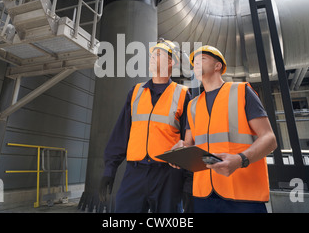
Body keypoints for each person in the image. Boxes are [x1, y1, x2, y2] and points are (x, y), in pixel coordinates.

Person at [172, 45, 277, 213]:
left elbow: (269, 139)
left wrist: (240, 159)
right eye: (194, 63)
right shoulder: (192, 106)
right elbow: (188, 143)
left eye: (202, 59)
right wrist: (179, 151)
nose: (196, 64)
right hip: (204, 193)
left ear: (217, 66)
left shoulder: (242, 91)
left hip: (243, 193)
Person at [99, 39, 192, 213]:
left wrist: (188, 184)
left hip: (168, 175)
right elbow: (121, 134)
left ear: (171, 62)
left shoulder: (183, 95)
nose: (151, 57)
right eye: (151, 54)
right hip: (135, 173)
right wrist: (110, 169)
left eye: (157, 54)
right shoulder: (135, 92)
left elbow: (189, 142)